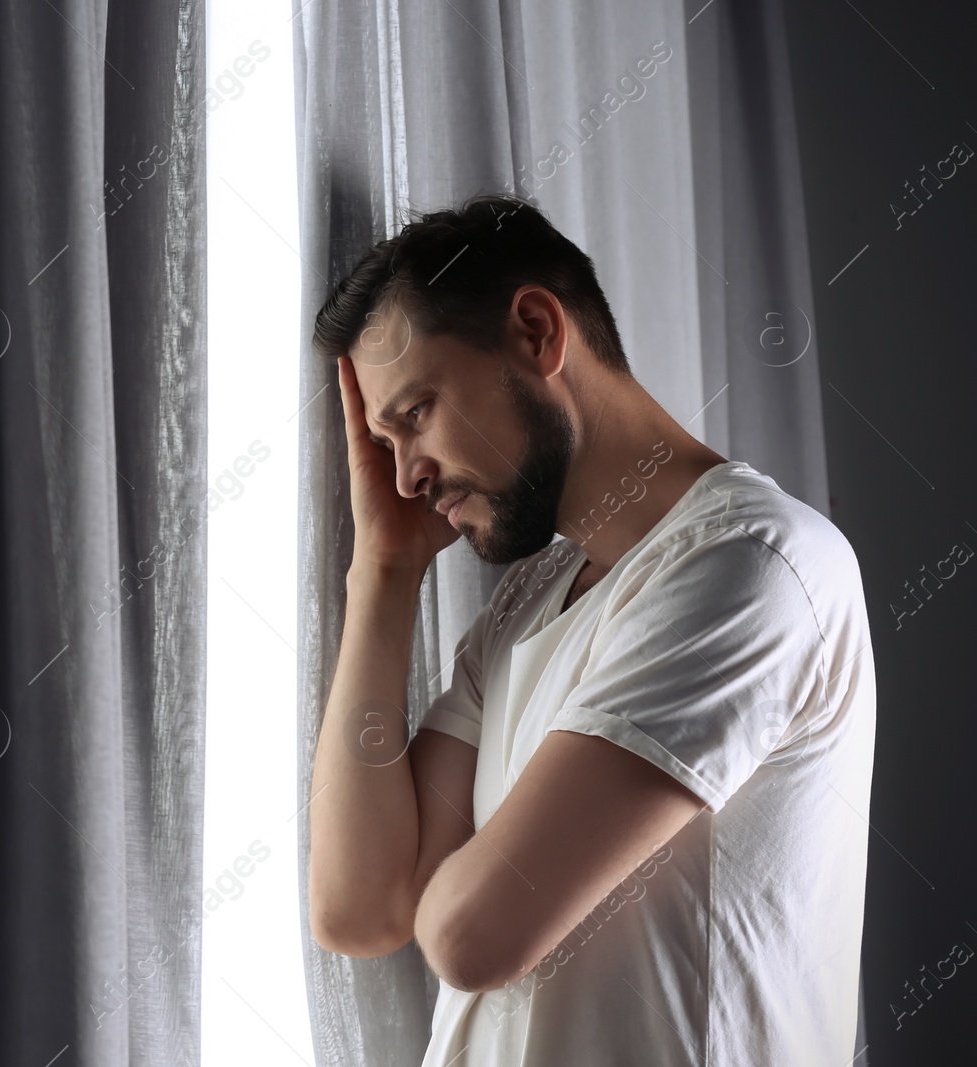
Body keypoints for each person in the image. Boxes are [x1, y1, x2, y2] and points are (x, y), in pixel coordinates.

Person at [306, 194, 875, 1066]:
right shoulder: (528, 603)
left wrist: (453, 880)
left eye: (415, 413)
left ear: (537, 332)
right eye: (382, 444)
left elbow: (470, 937)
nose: (407, 475)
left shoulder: (755, 563)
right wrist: (382, 572)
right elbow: (360, 908)